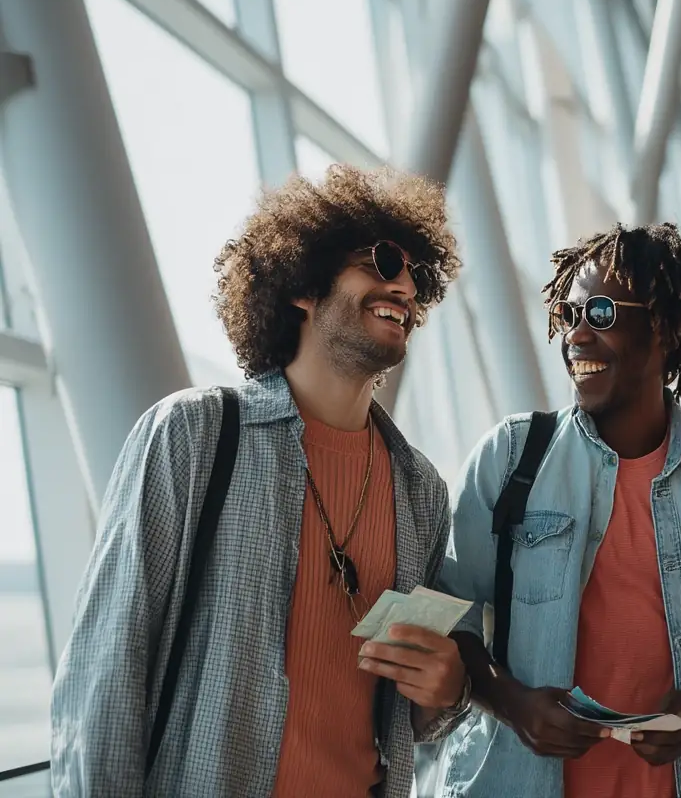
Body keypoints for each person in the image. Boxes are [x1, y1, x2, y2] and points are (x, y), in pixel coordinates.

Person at [49, 164, 466, 797]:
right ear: (303, 285)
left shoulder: (419, 489)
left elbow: (405, 714)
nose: (404, 283)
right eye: (382, 261)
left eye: (417, 274)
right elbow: (105, 673)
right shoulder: (194, 436)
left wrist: (447, 692)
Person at [422, 223, 681, 798]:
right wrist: (515, 704)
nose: (576, 336)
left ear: (667, 330)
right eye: (569, 316)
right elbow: (447, 610)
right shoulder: (509, 458)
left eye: (599, 313)